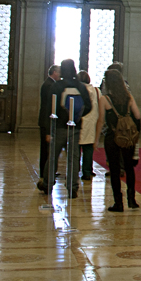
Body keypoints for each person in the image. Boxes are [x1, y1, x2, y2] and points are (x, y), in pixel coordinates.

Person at [49, 59, 92, 197]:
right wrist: (77, 116)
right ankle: (73, 186)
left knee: (54, 155)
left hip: (60, 125)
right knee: (73, 157)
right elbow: (88, 106)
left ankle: (48, 183)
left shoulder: (57, 86)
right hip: (76, 126)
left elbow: (52, 105)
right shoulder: (80, 86)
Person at [100, 68, 141, 212]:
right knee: (129, 168)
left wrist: (94, 139)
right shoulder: (129, 97)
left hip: (112, 137)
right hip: (128, 137)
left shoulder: (105, 99)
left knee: (115, 170)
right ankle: (132, 199)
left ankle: (118, 202)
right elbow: (137, 115)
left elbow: (100, 121)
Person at [37, 64, 61, 193]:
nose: (60, 75)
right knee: (45, 149)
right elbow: (48, 105)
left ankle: (48, 171)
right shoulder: (49, 85)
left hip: (47, 120)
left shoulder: (49, 84)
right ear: (54, 72)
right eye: (59, 72)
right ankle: (44, 172)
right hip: (46, 120)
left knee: (48, 149)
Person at [77, 71, 102, 182]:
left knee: (76, 148)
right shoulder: (96, 91)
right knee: (88, 147)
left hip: (79, 120)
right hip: (92, 121)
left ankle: (74, 170)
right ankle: (87, 171)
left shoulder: (77, 90)